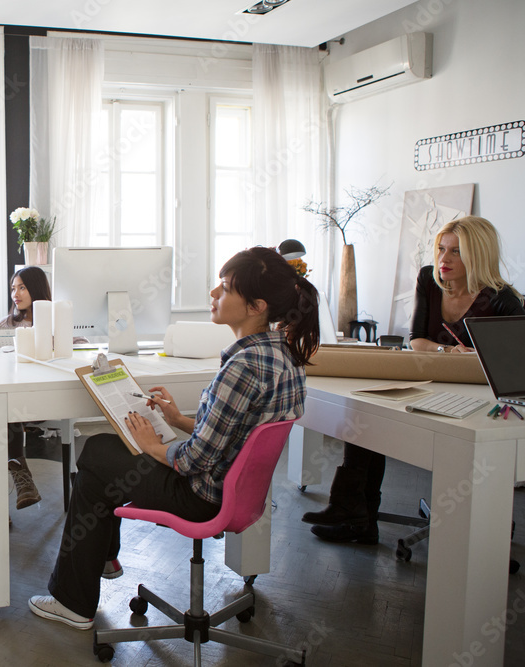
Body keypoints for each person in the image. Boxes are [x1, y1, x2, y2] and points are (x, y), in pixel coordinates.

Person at [28, 246, 321, 630]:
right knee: (107, 455)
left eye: (227, 288)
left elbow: (193, 461)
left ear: (256, 306)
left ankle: (74, 598)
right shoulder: (283, 355)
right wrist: (179, 420)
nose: (215, 294)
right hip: (238, 495)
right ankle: (102, 557)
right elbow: (235, 434)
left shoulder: (244, 365)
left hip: (200, 496)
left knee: (97, 451)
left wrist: (153, 445)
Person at [302, 216, 524, 543]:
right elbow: (416, 338)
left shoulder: (504, 300)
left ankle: (480, 538)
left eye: (456, 252)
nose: (443, 260)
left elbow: (514, 367)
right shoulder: (429, 279)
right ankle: (354, 513)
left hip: (483, 398)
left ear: (479, 254)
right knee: (368, 414)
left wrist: (475, 357)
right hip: (432, 381)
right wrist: (447, 352)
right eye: (441, 249)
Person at [0, 266, 53, 509]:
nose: (16, 293)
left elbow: (81, 344)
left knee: (1, 408)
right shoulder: (8, 323)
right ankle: (18, 482)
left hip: (46, 396)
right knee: (2, 405)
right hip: (14, 400)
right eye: (13, 288)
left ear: (36, 289)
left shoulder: (55, 320)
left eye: (22, 287)